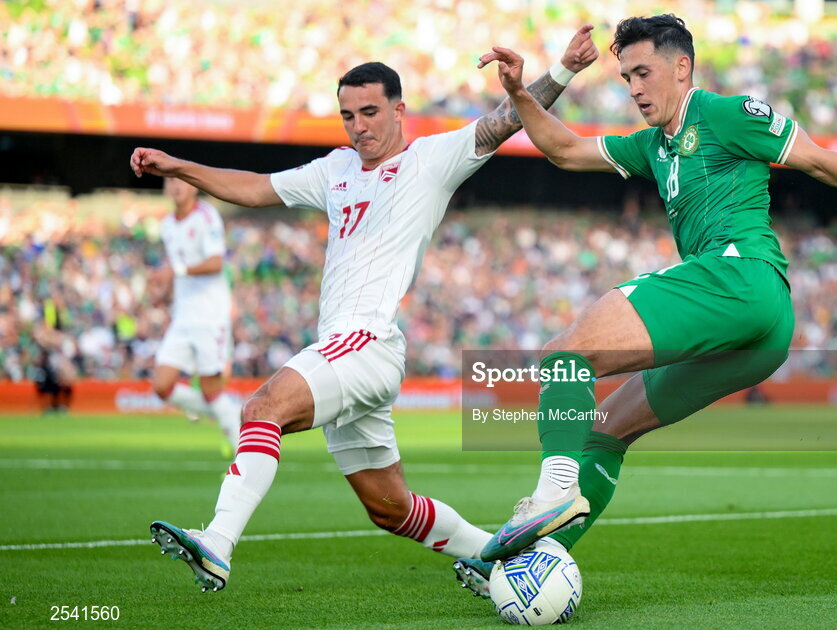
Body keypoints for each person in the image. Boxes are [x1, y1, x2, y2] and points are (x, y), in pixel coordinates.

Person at [467, 14, 837, 575]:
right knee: (606, 430)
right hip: (760, 334)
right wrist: (520, 92)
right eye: (625, 77)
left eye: (643, 73)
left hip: (742, 277)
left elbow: (823, 162)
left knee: (565, 355)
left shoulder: (727, 114)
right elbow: (563, 150)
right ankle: (537, 564)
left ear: (682, 68)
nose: (633, 88)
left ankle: (553, 491)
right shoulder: (652, 145)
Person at [130, 26, 598, 593]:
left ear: (399, 111)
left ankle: (218, 542)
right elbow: (254, 187)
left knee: (263, 407)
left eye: (370, 112)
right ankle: (495, 555)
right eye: (348, 115)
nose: (359, 126)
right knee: (391, 510)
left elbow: (506, 119)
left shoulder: (432, 159)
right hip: (350, 352)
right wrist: (178, 166)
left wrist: (565, 70)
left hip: (366, 341)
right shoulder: (335, 170)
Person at [149, 177, 242, 457]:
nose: (176, 186)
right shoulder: (167, 225)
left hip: (210, 315)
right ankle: (229, 411)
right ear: (165, 188)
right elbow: (175, 269)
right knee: (161, 385)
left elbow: (215, 263)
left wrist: (175, 273)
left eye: (182, 181)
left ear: (193, 186)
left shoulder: (207, 216)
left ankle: (243, 455)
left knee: (211, 388)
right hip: (182, 316)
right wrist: (162, 294)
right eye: (170, 181)